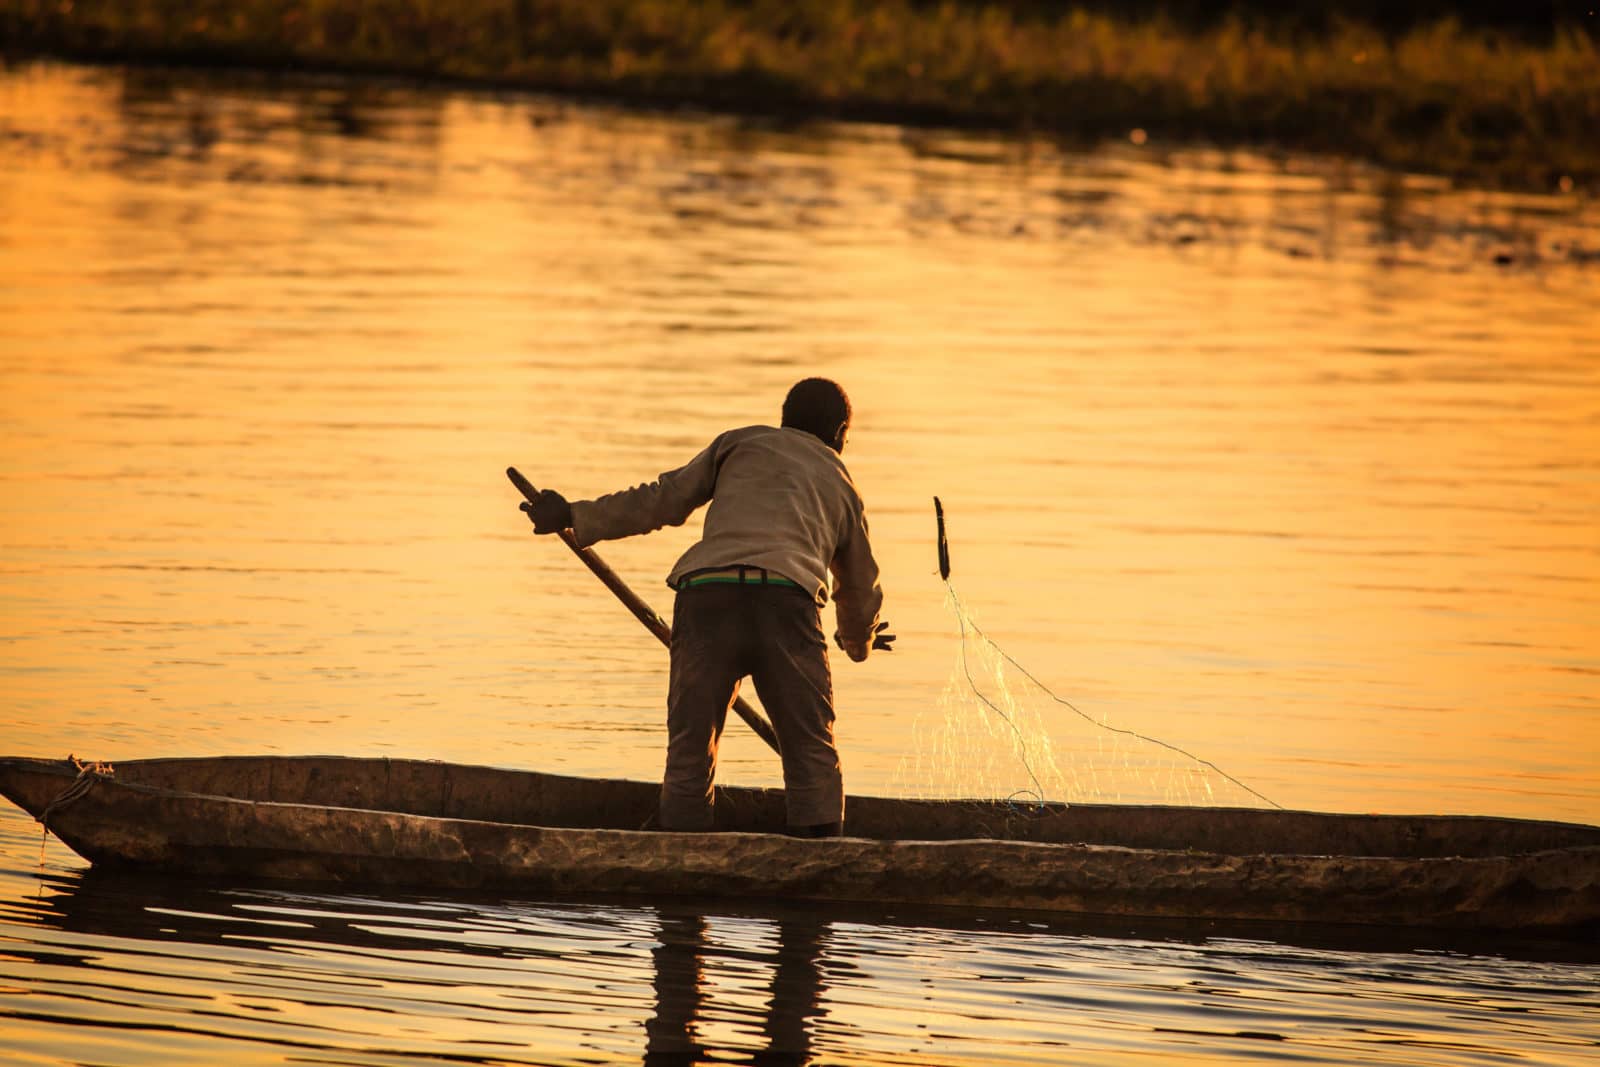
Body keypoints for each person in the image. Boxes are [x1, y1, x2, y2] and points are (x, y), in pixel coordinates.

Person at [520, 378, 892, 837]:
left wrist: (575, 515)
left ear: (784, 419)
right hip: (786, 604)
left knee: (691, 751)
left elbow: (662, 499)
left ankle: (681, 857)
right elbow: (859, 589)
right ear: (839, 433)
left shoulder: (739, 443)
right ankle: (820, 866)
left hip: (705, 597)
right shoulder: (841, 481)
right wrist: (859, 642)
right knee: (812, 753)